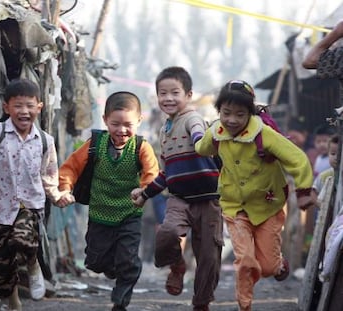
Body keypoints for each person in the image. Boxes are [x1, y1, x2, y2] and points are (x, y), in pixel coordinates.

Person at [194, 79, 316, 311]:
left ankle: (279, 264)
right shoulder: (216, 131)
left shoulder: (264, 134)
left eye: (239, 115)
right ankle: (245, 305)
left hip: (267, 206)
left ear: (249, 114)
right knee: (245, 260)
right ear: (219, 111)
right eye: (226, 113)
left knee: (268, 267)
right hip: (234, 205)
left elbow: (297, 159)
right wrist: (197, 135)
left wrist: (303, 190)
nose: (231, 120)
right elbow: (203, 148)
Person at [0, 79, 68, 311]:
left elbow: (49, 174)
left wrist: (56, 196)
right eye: (18, 106)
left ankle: (32, 263)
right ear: (6, 107)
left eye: (29, 105)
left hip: (29, 205)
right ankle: (13, 302)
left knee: (23, 237)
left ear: (39, 107)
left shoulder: (45, 141)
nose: (24, 111)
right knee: (0, 267)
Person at [57, 91, 159, 311]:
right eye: (115, 124)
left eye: (128, 124)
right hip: (99, 215)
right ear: (105, 120)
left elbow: (152, 173)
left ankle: (120, 300)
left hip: (129, 214)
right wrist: (65, 189)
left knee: (128, 261)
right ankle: (116, 269)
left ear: (139, 121)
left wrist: (144, 191)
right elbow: (70, 168)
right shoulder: (95, 144)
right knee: (95, 262)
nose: (122, 130)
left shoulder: (141, 147)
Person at [131, 66, 222, 311]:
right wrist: (146, 194)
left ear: (188, 95)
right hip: (179, 198)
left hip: (208, 199)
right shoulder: (164, 130)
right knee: (167, 234)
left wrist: (201, 143)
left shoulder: (192, 118)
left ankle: (201, 303)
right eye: (163, 93)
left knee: (208, 257)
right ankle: (177, 265)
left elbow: (199, 136)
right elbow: (166, 172)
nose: (168, 98)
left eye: (175, 92)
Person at [313, 134, 339, 199]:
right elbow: (313, 192)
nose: (336, 157)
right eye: (333, 154)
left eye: (340, 154)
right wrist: (321, 205)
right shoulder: (324, 176)